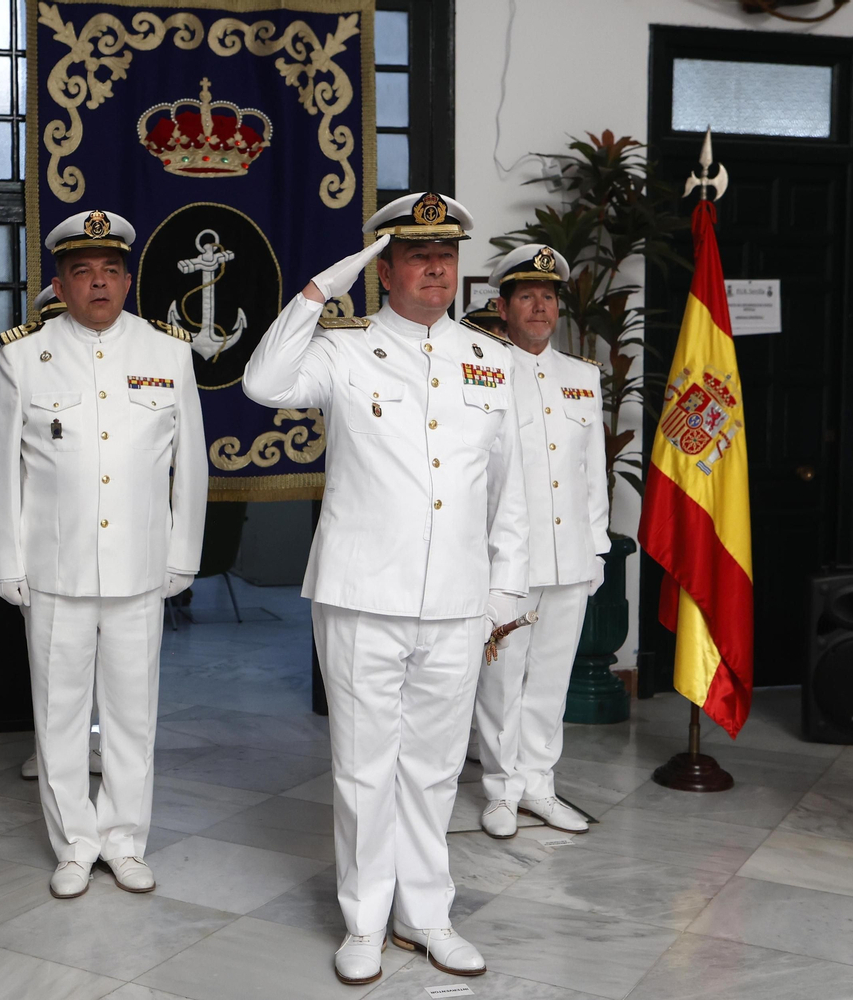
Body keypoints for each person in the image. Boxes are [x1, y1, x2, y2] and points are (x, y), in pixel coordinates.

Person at [243, 192, 529, 984]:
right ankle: (365, 920)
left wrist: (504, 591)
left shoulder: (493, 359)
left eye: (446, 255)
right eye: (416, 255)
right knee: (365, 764)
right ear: (386, 267)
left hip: (457, 598)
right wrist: (317, 292)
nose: (436, 268)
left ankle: (427, 914)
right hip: (363, 592)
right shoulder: (343, 347)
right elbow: (264, 382)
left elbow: (511, 489)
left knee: (436, 766)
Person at [0, 209, 206, 900]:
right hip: (56, 568)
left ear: (129, 279)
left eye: (110, 271)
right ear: (62, 282)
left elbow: (190, 465)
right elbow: (2, 471)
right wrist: (6, 562)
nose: (98, 284)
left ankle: (125, 840)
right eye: (83, 273)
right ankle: (75, 842)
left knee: (135, 714)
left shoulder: (167, 352)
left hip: (139, 567)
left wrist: (183, 553)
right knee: (59, 716)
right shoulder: (24, 355)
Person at [470, 245, 609, 839]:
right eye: (526, 296)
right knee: (502, 679)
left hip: (571, 556)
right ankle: (502, 791)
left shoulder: (581, 377)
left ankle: (539, 785)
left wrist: (597, 548)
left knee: (551, 679)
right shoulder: (481, 369)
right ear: (502, 306)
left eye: (549, 297)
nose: (539, 307)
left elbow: (592, 475)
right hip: (508, 560)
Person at [17, 281, 99, 785]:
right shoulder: (28, 367)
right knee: (52, 668)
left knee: (112, 671)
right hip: (48, 545)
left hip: (108, 541)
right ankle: (47, 748)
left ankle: (97, 740)